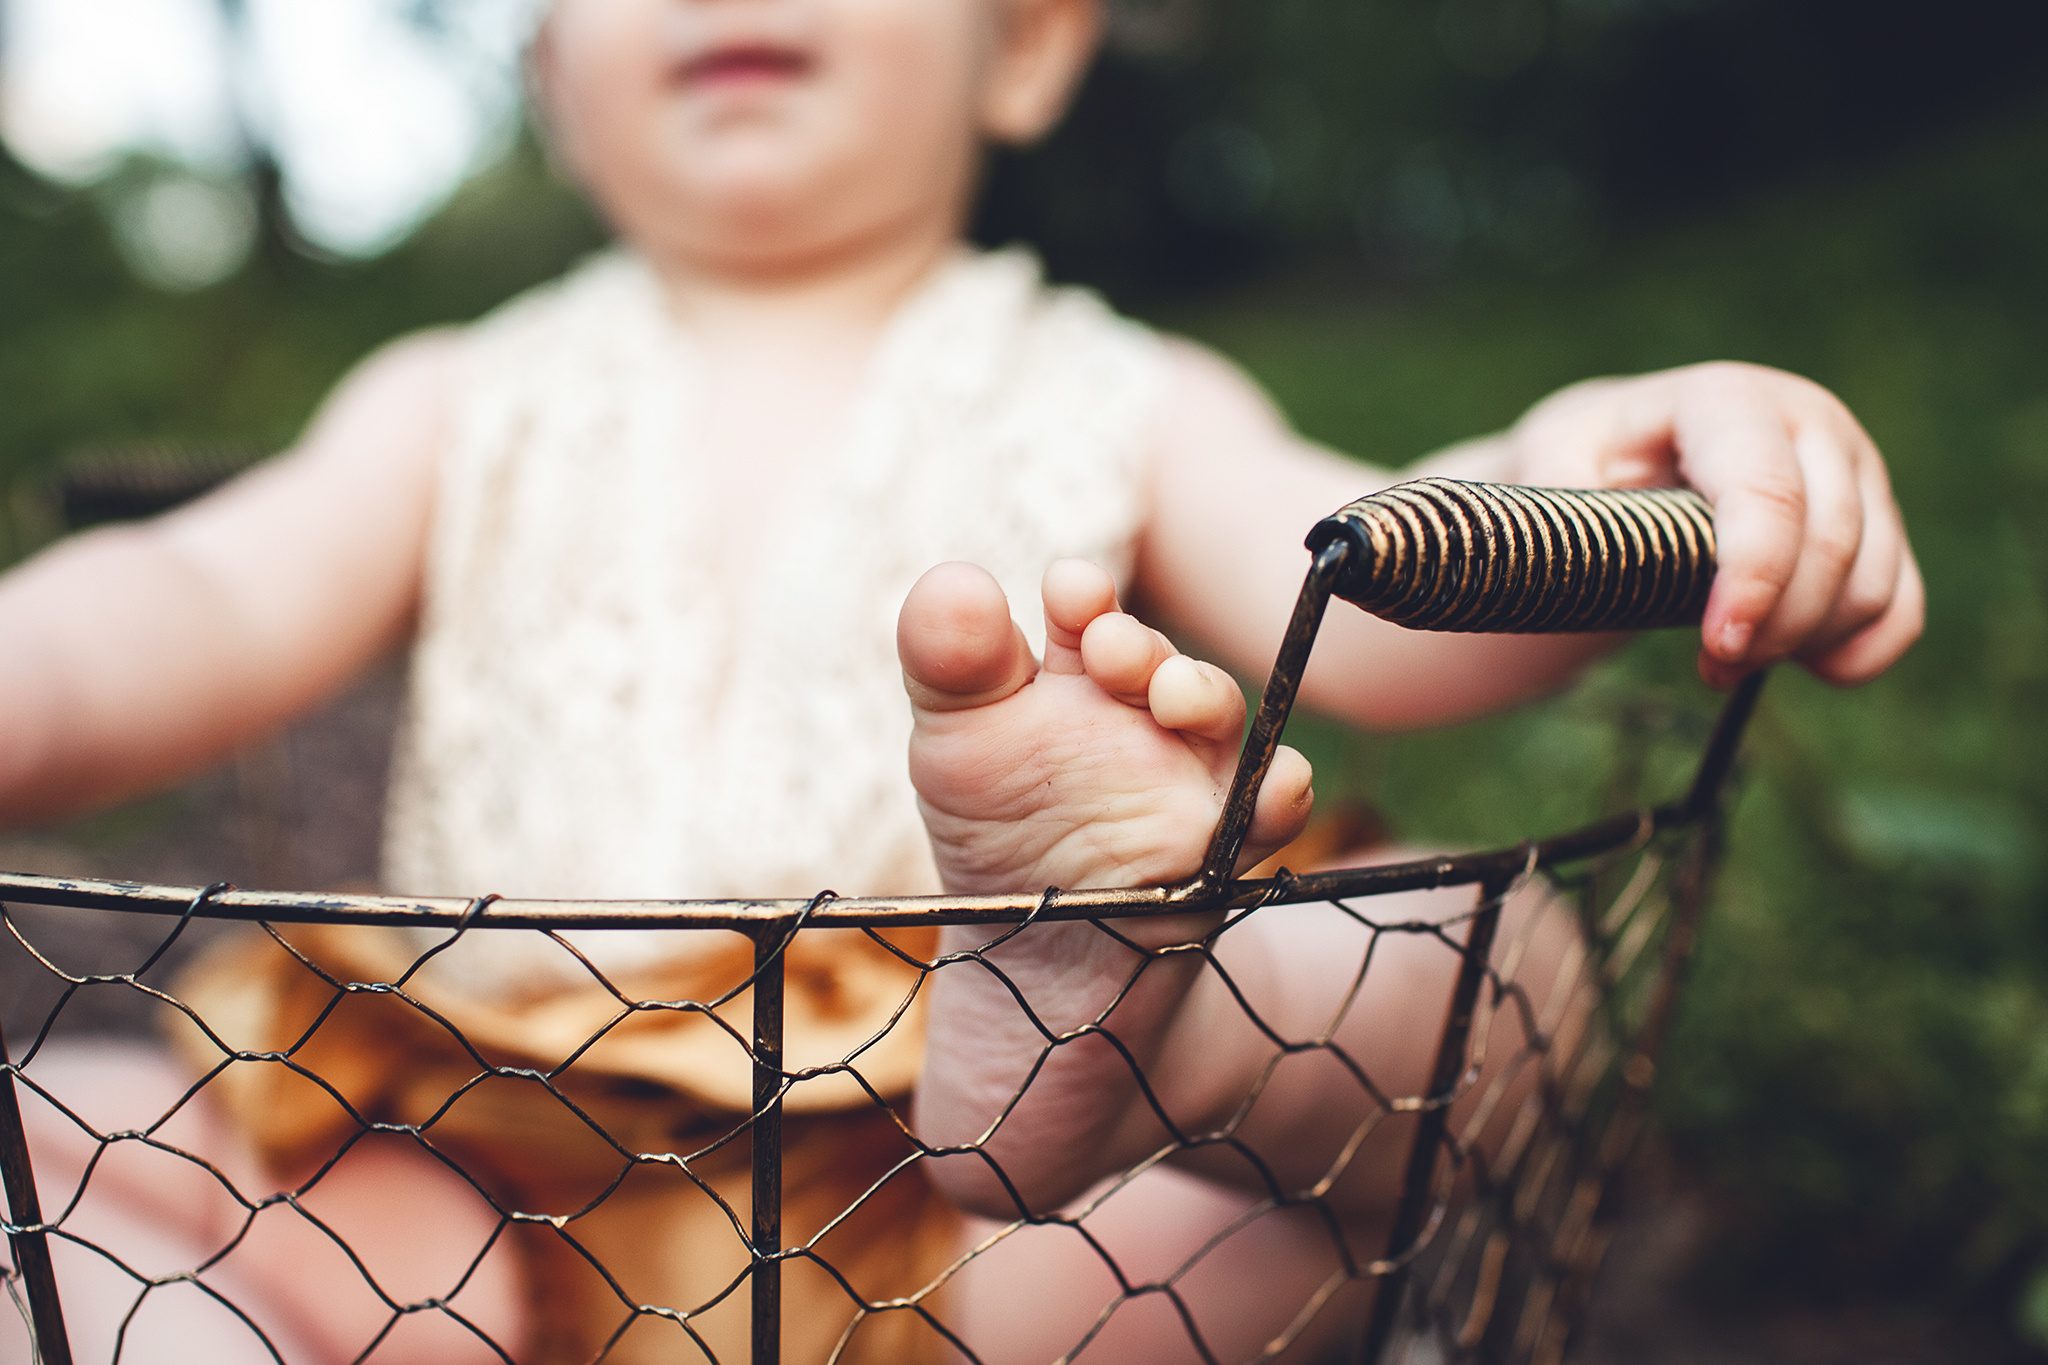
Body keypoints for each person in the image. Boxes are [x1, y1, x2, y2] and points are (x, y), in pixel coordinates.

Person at [0, 0, 1921, 1362]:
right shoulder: (450, 402)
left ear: (1027, 39)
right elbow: (189, 596)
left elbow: (1386, 561)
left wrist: (1603, 464)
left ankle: (1156, 1004)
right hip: (462, 1166)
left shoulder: (1127, 394)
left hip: (1002, 1187)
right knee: (62, 1126)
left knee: (1480, 977)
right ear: (551, 77)